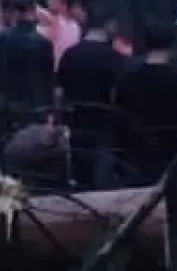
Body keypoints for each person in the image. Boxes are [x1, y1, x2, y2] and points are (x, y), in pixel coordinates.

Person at [112, 26, 177, 185]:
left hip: (136, 158)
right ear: (172, 47)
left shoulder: (128, 80)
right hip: (171, 158)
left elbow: (118, 120)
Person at [56, 17, 131, 188]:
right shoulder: (113, 57)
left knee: (78, 162)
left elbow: (60, 88)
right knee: (102, 168)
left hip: (75, 120)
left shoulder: (69, 54)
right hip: (104, 122)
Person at [0, 0, 56, 111]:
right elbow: (48, 80)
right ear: (34, 11)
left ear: (14, 13)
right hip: (34, 106)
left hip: (4, 106)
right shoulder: (43, 44)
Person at [36, 0, 82, 69]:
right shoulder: (76, 26)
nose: (48, 2)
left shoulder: (60, 23)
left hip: (56, 70)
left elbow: (35, 9)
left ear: (63, 4)